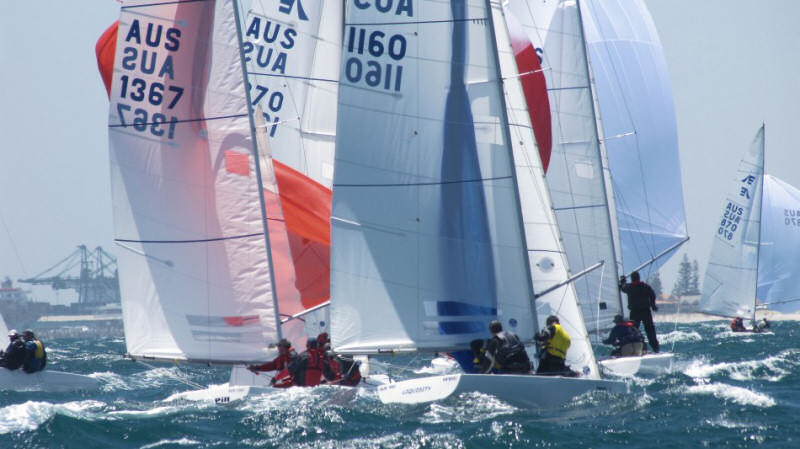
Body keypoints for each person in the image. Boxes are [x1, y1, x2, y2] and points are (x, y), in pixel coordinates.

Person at [619, 271, 660, 353]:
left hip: (635, 312)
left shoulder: (629, 287)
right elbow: (652, 295)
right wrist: (653, 305)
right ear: (639, 277)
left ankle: (634, 349)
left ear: (632, 279)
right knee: (650, 330)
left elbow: (622, 287)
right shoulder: (645, 286)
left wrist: (623, 281)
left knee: (633, 331)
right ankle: (655, 348)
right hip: (646, 311)